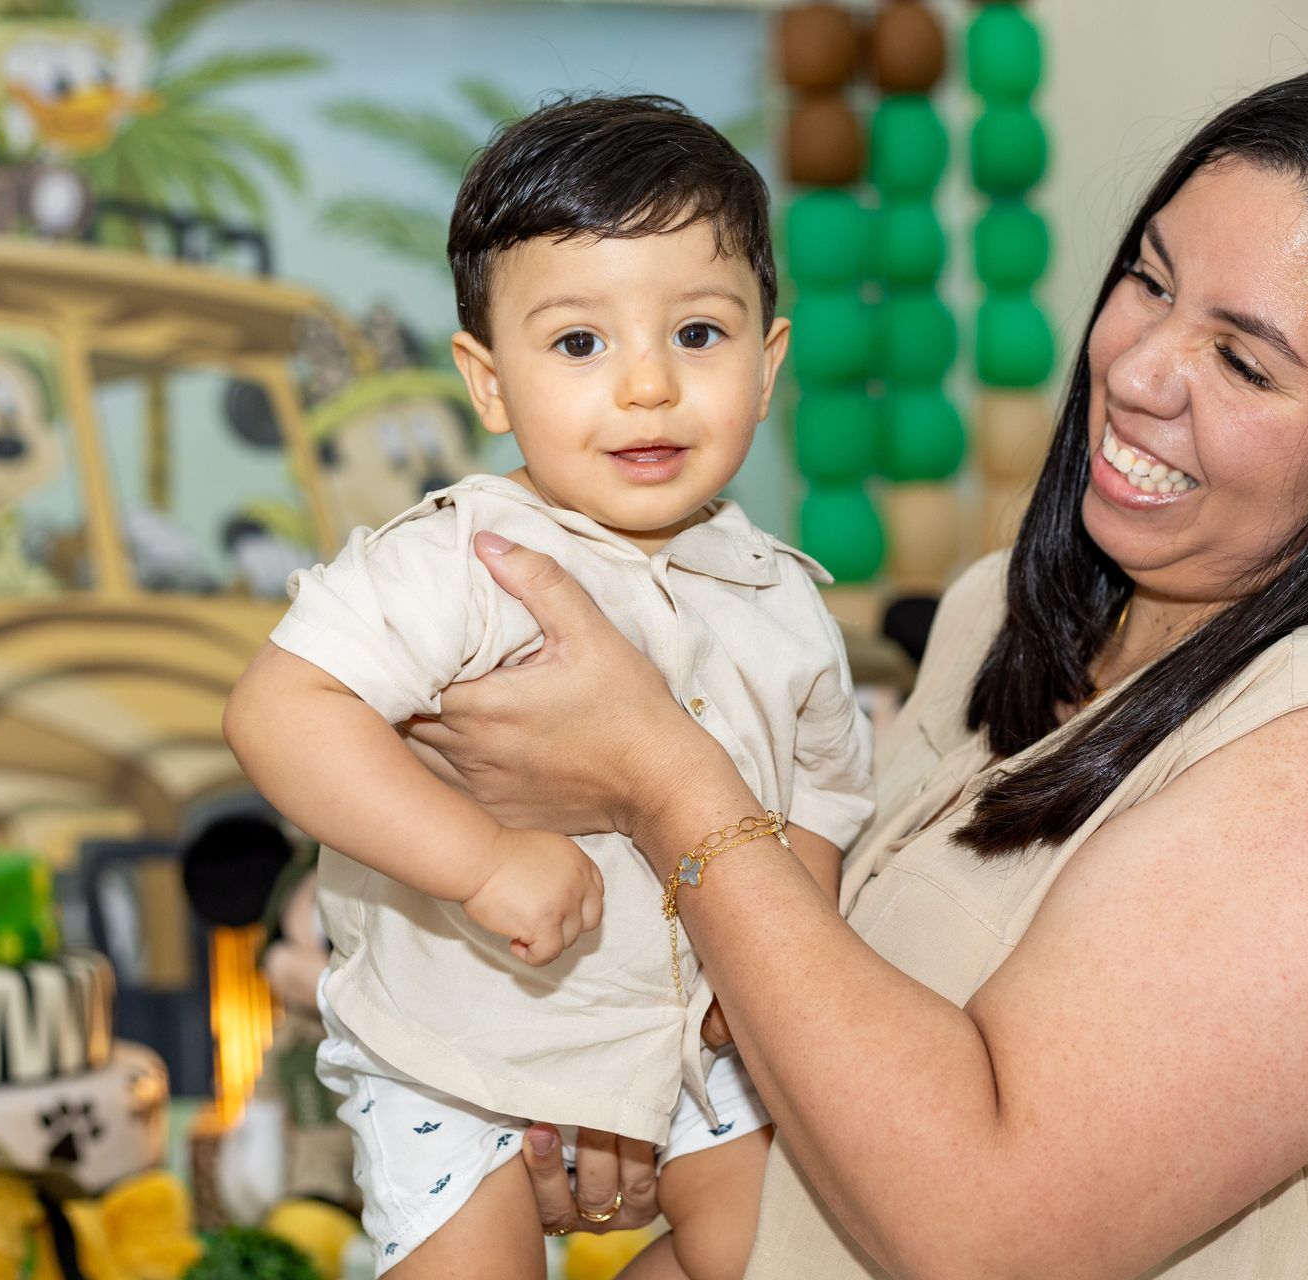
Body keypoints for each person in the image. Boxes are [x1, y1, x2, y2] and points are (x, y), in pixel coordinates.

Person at [404, 59, 1308, 1278]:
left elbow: (984, 1233)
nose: (1139, 368)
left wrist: (664, 780)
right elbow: (835, 1113)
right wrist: (621, 1083)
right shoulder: (1000, 611)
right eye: (1147, 283)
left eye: (1245, 361)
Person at [223, 95, 873, 1280]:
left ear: (769, 362)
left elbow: (827, 788)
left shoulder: (783, 596)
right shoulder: (459, 560)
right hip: (454, 1052)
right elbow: (280, 711)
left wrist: (787, 956)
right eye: (579, 342)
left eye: (698, 334)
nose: (646, 387)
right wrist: (478, 856)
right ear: (488, 381)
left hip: (696, 1047)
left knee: (778, 1249)